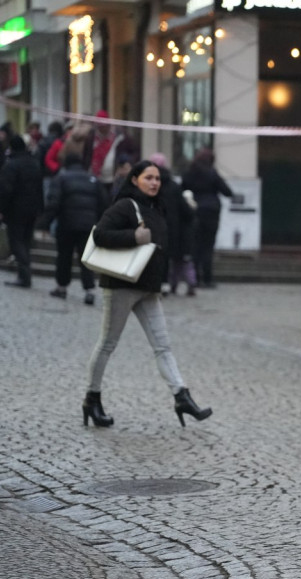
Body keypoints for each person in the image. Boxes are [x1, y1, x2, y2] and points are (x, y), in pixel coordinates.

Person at [83, 160, 213, 429]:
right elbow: (100, 235)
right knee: (108, 343)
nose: (154, 183)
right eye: (148, 178)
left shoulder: (157, 207)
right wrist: (133, 237)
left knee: (162, 345)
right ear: (135, 180)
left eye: (157, 178)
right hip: (121, 284)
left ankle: (181, 397)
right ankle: (91, 399)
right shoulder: (124, 206)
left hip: (148, 288)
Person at [36, 148, 109, 304]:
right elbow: (103, 204)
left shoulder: (61, 179)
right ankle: (89, 290)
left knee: (64, 256)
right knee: (86, 258)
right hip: (88, 225)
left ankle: (62, 287)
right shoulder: (93, 180)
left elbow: (53, 203)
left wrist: (44, 223)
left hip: (67, 224)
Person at [0, 136, 44, 288]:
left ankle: (24, 274)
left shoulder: (12, 165)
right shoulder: (34, 164)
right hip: (32, 209)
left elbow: (5, 190)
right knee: (26, 241)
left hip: (16, 210)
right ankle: (24, 274)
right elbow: (39, 189)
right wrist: (41, 209)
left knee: (16, 241)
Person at [181, 148, 234, 288]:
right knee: (208, 246)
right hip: (211, 212)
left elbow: (182, 189)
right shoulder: (212, 174)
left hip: (194, 210)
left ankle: (195, 278)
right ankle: (208, 278)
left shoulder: (189, 173)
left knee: (195, 245)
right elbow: (227, 192)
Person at [149, 153, 198, 296]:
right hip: (170, 228)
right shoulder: (174, 186)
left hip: (151, 224)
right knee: (166, 257)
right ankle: (165, 283)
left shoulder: (147, 185)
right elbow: (185, 210)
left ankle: (153, 282)